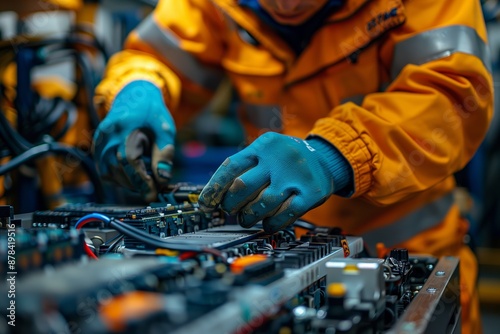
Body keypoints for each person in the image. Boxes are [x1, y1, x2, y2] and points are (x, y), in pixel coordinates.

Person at [92, 0, 493, 333]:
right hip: (271, 247)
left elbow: (452, 93)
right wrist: (139, 86)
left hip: (405, 253)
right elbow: (155, 56)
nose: (285, 5)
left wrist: (336, 154)